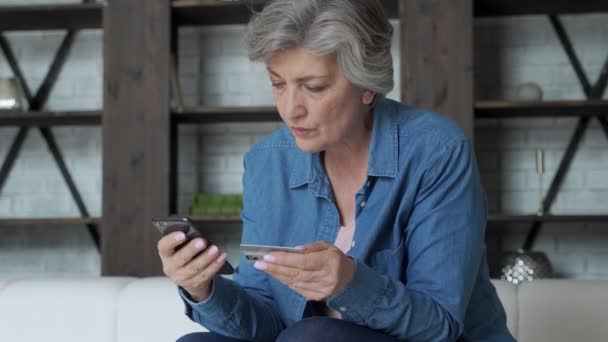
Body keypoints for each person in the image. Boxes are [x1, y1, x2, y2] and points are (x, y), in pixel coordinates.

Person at [157, 0, 515, 341]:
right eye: (278, 84)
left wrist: (349, 283)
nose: (290, 110)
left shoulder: (436, 152)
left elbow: (440, 325)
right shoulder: (266, 163)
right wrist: (202, 289)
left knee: (312, 335)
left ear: (367, 87)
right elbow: (267, 325)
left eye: (313, 87)